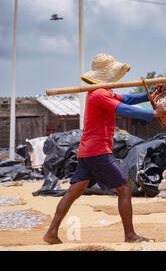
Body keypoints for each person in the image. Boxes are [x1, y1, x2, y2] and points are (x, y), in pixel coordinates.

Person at [44, 53, 158, 245]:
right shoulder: (99, 94)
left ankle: (51, 232)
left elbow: (128, 99)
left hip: (88, 151)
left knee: (74, 190)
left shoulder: (103, 92)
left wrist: (148, 95)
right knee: (123, 188)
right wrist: (153, 113)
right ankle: (130, 235)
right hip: (97, 151)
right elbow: (124, 109)